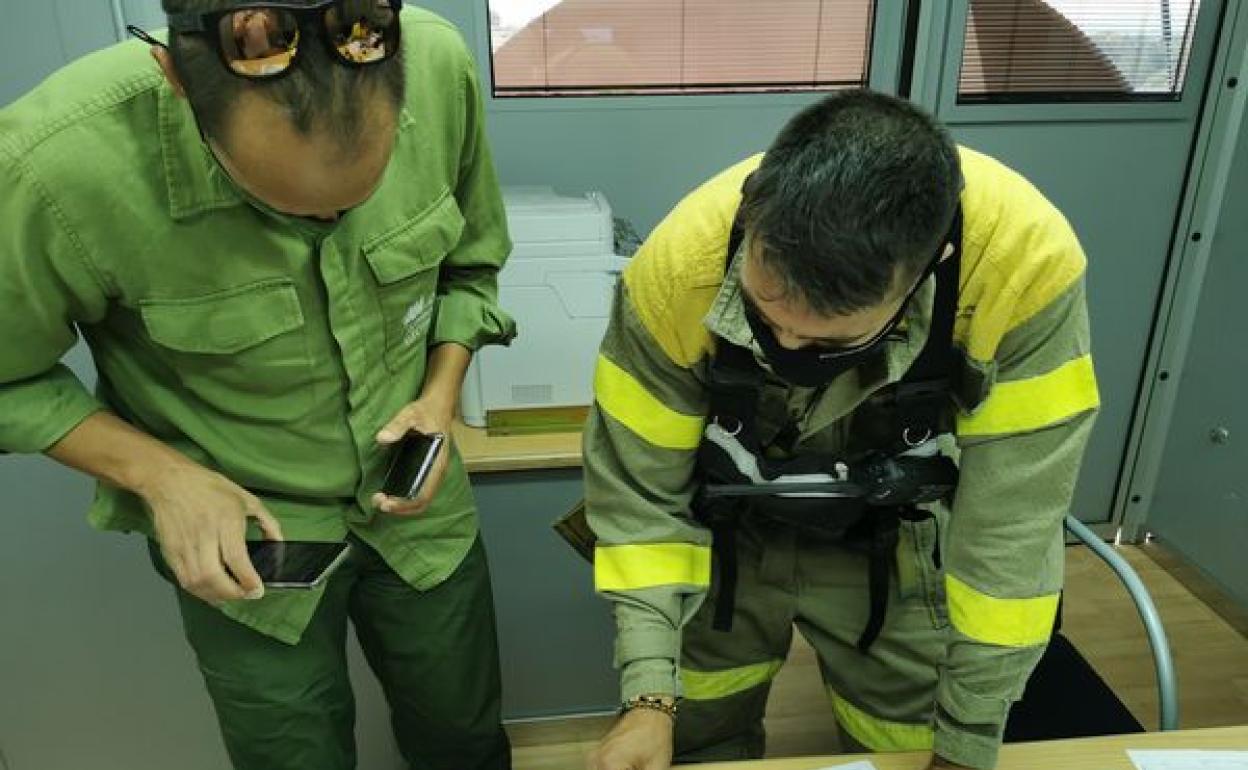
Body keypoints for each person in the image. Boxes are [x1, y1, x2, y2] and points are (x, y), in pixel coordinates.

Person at [0, 3, 514, 769]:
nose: (328, 223)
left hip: (419, 515)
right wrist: (161, 477)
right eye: (285, 204)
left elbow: (469, 267)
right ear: (176, 80)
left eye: (356, 201)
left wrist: (441, 392)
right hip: (248, 542)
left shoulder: (436, 63)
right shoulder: (54, 166)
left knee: (464, 741)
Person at [583, 90, 1100, 770]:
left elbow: (1010, 530)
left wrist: (967, 744)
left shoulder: (1022, 270)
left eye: (831, 341)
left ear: (930, 267)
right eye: (767, 320)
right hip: (728, 543)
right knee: (700, 734)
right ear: (749, 207)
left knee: (905, 744)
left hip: (898, 543)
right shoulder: (677, 270)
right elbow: (639, 502)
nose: (791, 345)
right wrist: (649, 700)